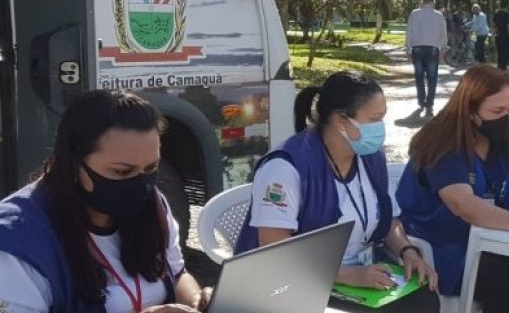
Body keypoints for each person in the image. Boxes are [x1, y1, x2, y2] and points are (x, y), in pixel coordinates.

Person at [233, 72, 437, 311]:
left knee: (425, 300)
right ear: (342, 122)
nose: (381, 128)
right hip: (297, 285)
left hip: (361, 275)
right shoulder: (285, 167)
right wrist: (347, 275)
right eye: (375, 119)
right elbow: (275, 250)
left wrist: (408, 250)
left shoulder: (371, 158)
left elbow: (389, 219)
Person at [0, 90, 212, 313]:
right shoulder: (17, 242)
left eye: (151, 168)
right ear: (73, 165)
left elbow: (177, 273)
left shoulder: (152, 206)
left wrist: (196, 300)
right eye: (121, 171)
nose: (141, 185)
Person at [395, 64, 509, 313]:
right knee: (506, 280)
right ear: (470, 111)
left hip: (498, 242)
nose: (506, 117)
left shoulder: (502, 142)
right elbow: (464, 206)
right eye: (497, 110)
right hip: (445, 249)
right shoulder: (442, 145)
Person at [405, 0, 448, 116]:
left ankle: (421, 100)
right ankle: (429, 104)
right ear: (433, 2)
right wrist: (442, 48)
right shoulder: (438, 15)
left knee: (419, 76)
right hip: (433, 49)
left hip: (417, 49)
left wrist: (408, 50)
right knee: (432, 77)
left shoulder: (414, 14)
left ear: (422, 1)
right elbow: (443, 34)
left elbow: (409, 32)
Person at [492, 0, 509, 70]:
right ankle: (503, 70)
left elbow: (494, 26)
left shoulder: (496, 14)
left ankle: (500, 70)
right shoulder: (507, 15)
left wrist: (496, 34)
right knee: (505, 55)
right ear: (507, 6)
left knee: (500, 55)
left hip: (499, 37)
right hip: (506, 38)